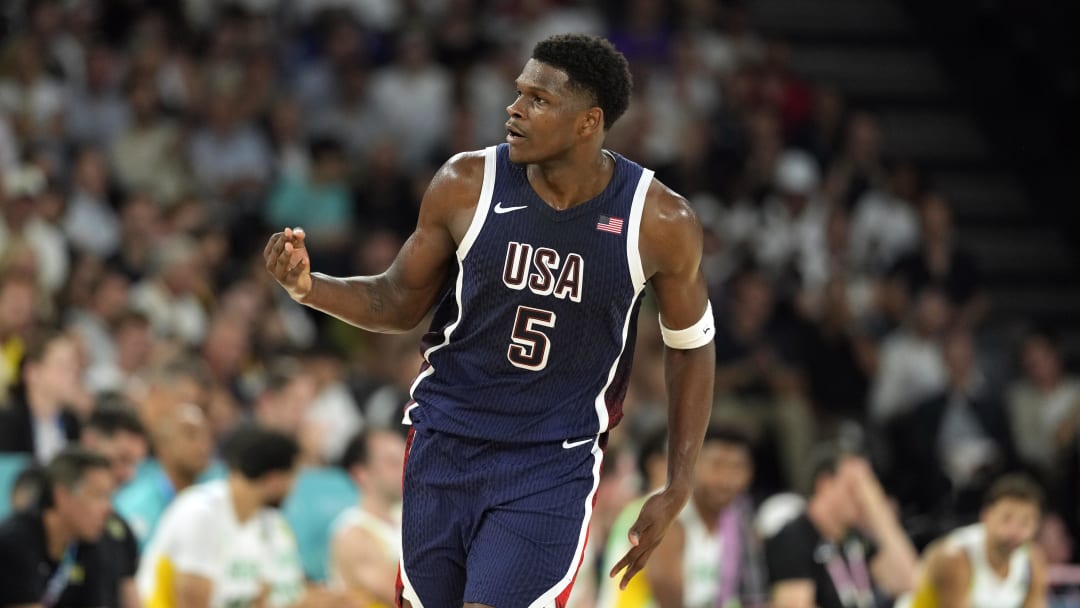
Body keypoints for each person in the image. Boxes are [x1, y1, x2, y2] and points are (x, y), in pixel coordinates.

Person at [264, 33, 715, 607]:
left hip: (551, 458)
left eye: (538, 100)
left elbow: (691, 346)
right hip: (444, 440)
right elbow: (398, 300)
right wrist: (308, 287)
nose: (514, 109)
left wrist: (680, 482)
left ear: (588, 122)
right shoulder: (465, 183)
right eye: (518, 92)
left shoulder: (659, 219)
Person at [135, 425, 345, 608]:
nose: (294, 489)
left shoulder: (270, 523)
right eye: (293, 478)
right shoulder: (200, 514)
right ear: (274, 480)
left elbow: (274, 596)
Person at [766, 450, 918, 608]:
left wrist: (877, 509)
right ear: (825, 484)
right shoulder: (793, 538)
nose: (863, 494)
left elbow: (910, 583)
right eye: (854, 485)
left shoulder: (855, 538)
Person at [905, 474, 1047, 608]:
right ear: (986, 516)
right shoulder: (954, 556)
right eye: (1006, 518)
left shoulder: (1033, 560)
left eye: (1025, 522)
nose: (1015, 531)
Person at [0, 448, 114, 607]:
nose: (109, 509)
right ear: (62, 496)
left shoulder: (90, 545)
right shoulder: (13, 543)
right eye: (98, 496)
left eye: (109, 497)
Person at [114, 402, 213, 549]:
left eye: (207, 435)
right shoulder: (134, 507)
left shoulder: (214, 495)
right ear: (163, 445)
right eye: (191, 435)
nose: (204, 445)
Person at [328, 428, 407, 606]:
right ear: (361, 473)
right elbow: (402, 598)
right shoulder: (353, 535)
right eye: (392, 462)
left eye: (405, 457)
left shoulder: (406, 519)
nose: (405, 467)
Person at [80, 404, 149, 608]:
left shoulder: (122, 533)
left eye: (134, 464)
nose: (127, 475)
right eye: (122, 459)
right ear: (90, 442)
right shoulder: (40, 515)